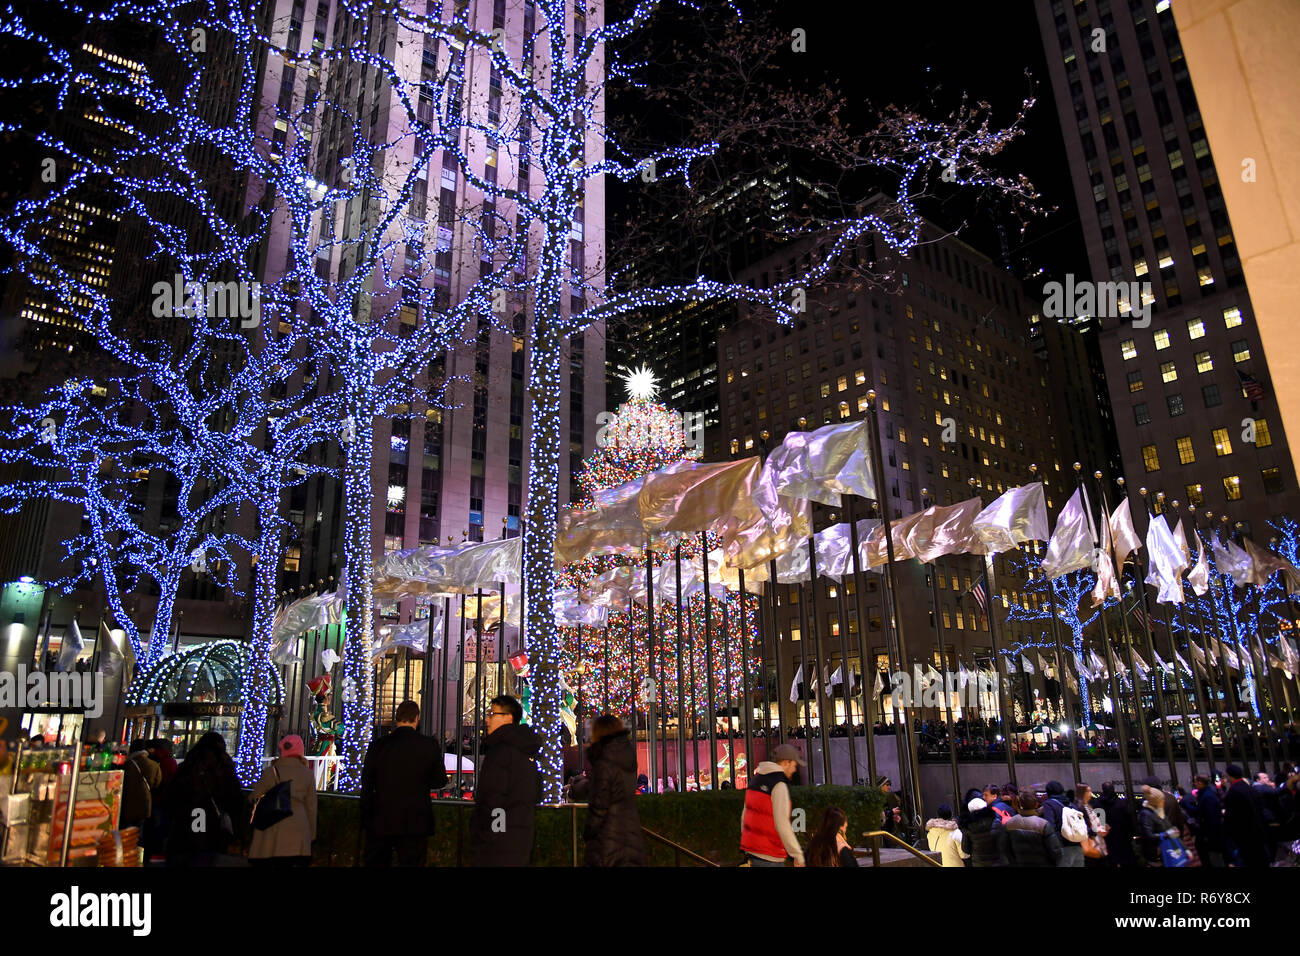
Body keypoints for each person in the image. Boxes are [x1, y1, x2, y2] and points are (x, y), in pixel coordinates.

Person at [360, 700, 447, 866]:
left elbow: (367, 782)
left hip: (381, 818)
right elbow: (440, 780)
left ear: (396, 718)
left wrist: (366, 814)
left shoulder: (378, 745)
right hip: (415, 820)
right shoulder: (428, 745)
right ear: (416, 719)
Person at [470, 695, 541, 866]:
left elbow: (494, 798)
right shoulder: (526, 750)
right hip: (522, 834)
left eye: (493, 714)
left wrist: (494, 832)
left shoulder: (501, 750)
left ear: (508, 718)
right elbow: (536, 792)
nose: (488, 719)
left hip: (500, 841)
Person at [165, 732, 243, 867]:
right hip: (212, 828)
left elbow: (172, 796)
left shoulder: (188, 766)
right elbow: (235, 800)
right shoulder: (223, 768)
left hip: (184, 829)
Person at [583, 715, 646, 867]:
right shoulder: (626, 757)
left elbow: (599, 806)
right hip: (631, 837)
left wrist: (588, 832)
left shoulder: (604, 763)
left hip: (608, 841)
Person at [249, 735, 317, 866]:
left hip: (271, 827)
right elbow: (311, 807)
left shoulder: (270, 772)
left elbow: (254, 797)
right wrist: (311, 833)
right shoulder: (307, 774)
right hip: (298, 827)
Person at [740, 743, 806, 867]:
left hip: (753, 852)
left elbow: (745, 816)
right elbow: (782, 823)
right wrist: (797, 854)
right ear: (786, 762)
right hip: (770, 855)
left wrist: (749, 845)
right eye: (794, 765)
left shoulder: (755, 780)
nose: (795, 770)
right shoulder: (779, 785)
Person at [997, 789, 1063, 866]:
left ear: (1020, 803)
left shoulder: (1009, 824)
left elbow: (1004, 848)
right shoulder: (1043, 824)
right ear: (1036, 804)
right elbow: (1055, 851)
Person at [1222, 764, 1270, 867]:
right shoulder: (1250, 788)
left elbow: (1233, 816)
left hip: (1245, 833)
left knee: (1249, 859)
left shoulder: (1234, 791)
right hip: (1258, 829)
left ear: (1230, 776)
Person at [1092, 782, 1138, 867]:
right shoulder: (1121, 804)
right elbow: (1129, 821)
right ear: (1114, 790)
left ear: (1102, 790)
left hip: (1106, 840)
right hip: (1122, 838)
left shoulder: (1097, 805)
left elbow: (1096, 825)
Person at [119, 739, 160, 833]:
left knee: (123, 830)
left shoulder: (126, 763)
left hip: (126, 802)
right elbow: (157, 783)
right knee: (138, 832)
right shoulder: (153, 765)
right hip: (143, 803)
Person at [1137, 784, 1180, 866]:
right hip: (1156, 852)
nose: (1163, 801)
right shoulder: (1146, 814)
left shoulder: (1157, 811)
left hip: (1165, 849)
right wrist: (1167, 834)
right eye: (1161, 800)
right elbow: (1148, 835)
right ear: (1155, 801)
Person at [1190, 773, 1225, 867]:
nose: (1194, 783)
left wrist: (1208, 836)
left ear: (1200, 782)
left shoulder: (1208, 796)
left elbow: (1212, 817)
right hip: (1208, 833)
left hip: (1210, 835)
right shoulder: (1205, 794)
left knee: (1213, 859)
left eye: (1196, 781)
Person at [961, 796, 1002, 867]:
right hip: (997, 862)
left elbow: (965, 849)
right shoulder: (996, 822)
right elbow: (1003, 843)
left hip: (979, 863)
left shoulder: (968, 827)